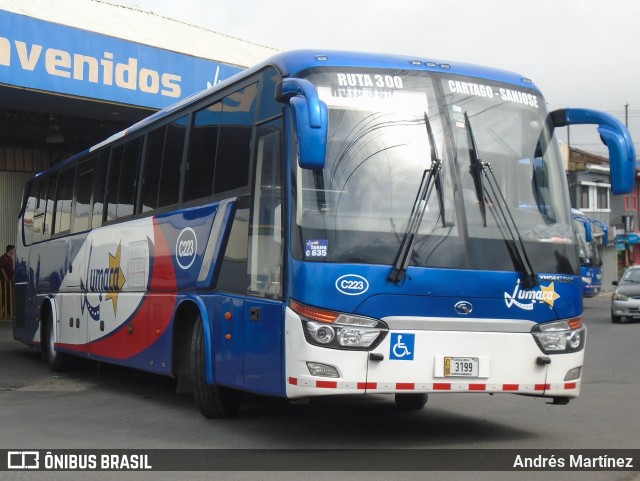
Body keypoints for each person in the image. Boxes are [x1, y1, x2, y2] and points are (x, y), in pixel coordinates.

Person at [0, 245, 15, 318]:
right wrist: (5, 277)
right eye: (13, 250)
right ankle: (3, 310)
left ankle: (9, 311)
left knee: (10, 295)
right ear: (9, 250)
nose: (14, 251)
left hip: (10, 281)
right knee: (5, 295)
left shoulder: (10, 259)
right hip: (5, 281)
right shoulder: (3, 257)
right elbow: (1, 268)